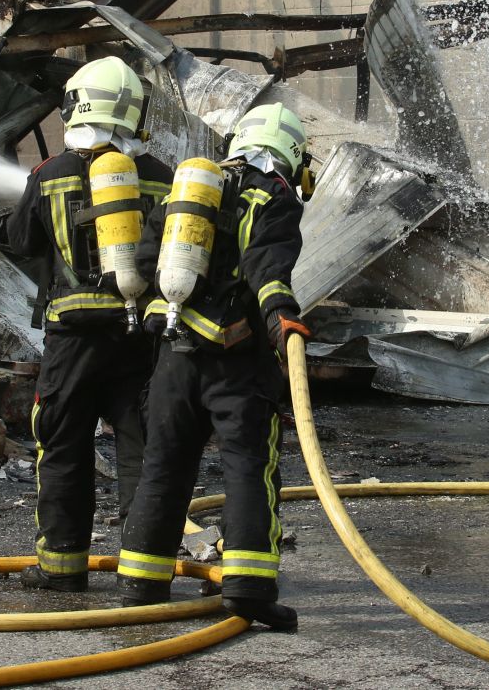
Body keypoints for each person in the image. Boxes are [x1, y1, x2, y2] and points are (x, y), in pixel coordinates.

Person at [114, 102, 313, 630]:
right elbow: (267, 264)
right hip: (236, 362)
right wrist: (282, 318)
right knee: (249, 466)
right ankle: (248, 589)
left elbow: (145, 259)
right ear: (292, 155)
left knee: (163, 464)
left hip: (173, 357)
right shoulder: (272, 194)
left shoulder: (192, 187)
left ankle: (141, 585)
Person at [7, 56, 174, 592]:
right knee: (142, 452)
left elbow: (21, 241)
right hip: (139, 337)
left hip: (72, 337)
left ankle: (61, 568)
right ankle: (145, 576)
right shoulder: (161, 176)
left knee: (63, 446)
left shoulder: (48, 173)